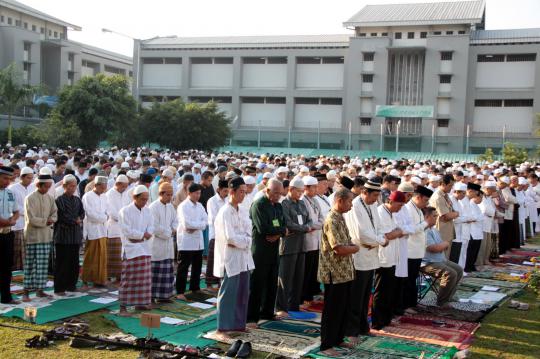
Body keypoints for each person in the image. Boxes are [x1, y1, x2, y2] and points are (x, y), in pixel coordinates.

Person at [344, 180, 400, 338]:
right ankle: (352, 330)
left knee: (364, 296)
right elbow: (362, 234)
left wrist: (380, 238)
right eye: (374, 195)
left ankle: (363, 327)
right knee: (356, 296)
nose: (376, 199)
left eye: (378, 195)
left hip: (371, 254)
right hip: (359, 255)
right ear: (364, 192)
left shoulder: (372, 205)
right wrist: (381, 240)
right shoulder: (355, 205)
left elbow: (379, 227)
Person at [318, 188, 359, 356]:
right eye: (349, 201)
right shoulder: (331, 219)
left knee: (343, 308)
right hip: (334, 272)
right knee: (332, 310)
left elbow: (347, 242)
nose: (351, 205)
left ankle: (338, 338)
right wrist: (355, 248)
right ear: (340, 200)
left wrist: (352, 247)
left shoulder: (340, 218)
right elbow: (339, 248)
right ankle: (326, 345)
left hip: (345, 272)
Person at [214, 177, 254, 337]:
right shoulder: (224, 212)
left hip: (243, 257)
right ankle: (222, 328)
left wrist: (243, 240)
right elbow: (230, 238)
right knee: (228, 294)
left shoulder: (243, 210)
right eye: (241, 192)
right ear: (232, 191)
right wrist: (244, 240)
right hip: (230, 258)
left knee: (243, 293)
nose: (243, 195)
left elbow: (249, 232)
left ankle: (238, 325)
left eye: (245, 192)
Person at [247, 178, 286, 327]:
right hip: (260, 250)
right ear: (267, 190)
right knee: (257, 284)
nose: (278, 196)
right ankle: (251, 317)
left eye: (280, 193)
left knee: (271, 283)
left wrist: (277, 233)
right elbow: (263, 228)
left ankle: (267, 312)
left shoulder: (278, 206)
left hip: (274, 248)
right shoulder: (259, 205)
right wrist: (279, 231)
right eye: (275, 193)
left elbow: (284, 226)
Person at [277, 178, 312, 316]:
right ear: (291, 189)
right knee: (285, 278)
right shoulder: (284, 203)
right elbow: (288, 223)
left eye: (302, 191)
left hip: (301, 245)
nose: (301, 194)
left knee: (298, 278)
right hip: (289, 246)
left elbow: (309, 219)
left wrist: (305, 227)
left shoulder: (302, 203)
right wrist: (305, 228)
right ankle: (281, 307)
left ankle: (294, 305)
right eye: (298, 191)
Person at [118, 185, 154, 315]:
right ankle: (123, 307)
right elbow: (127, 231)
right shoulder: (125, 211)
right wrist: (141, 235)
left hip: (144, 247)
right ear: (135, 197)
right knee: (129, 279)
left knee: (144, 279)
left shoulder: (147, 210)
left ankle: (141, 303)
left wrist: (143, 236)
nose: (144, 202)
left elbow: (151, 227)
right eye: (142, 199)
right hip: (131, 249)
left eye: (146, 199)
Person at [372, 191, 405, 329]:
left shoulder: (391, 213)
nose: (401, 207)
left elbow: (396, 231)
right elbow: (387, 235)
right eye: (399, 204)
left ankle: (386, 319)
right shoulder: (381, 212)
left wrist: (397, 232)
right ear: (391, 201)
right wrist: (397, 232)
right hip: (383, 258)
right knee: (381, 291)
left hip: (392, 257)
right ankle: (377, 322)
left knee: (389, 290)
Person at [22, 174, 58, 302]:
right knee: (30, 264)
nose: (47, 189)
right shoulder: (29, 198)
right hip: (32, 236)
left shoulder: (50, 198)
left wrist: (51, 220)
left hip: (45, 236)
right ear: (38, 185)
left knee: (42, 265)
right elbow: (31, 218)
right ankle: (26, 292)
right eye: (45, 187)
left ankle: (40, 290)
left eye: (49, 187)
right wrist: (46, 221)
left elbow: (55, 213)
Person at [421, 207, 463, 308]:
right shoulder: (425, 231)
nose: (437, 218)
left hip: (439, 260)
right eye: (434, 216)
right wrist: (444, 244)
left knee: (459, 269)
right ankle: (442, 301)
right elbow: (433, 248)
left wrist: (443, 245)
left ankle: (448, 296)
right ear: (426, 217)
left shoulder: (434, 230)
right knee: (450, 273)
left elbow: (441, 246)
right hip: (427, 262)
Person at [53, 174, 84, 295]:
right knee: (62, 263)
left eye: (75, 186)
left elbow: (82, 213)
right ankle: (60, 288)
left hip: (75, 236)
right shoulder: (59, 200)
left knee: (74, 262)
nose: (74, 188)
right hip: (63, 236)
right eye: (71, 186)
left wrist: (79, 219)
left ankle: (71, 285)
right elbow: (61, 216)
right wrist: (74, 221)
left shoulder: (77, 200)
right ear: (64, 186)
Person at [176, 183, 208, 300]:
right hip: (186, 242)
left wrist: (196, 226)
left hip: (198, 241)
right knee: (183, 267)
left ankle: (195, 288)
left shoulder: (200, 206)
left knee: (197, 267)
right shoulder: (183, 206)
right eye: (196, 193)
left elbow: (206, 221)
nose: (198, 195)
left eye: (199, 193)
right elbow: (186, 224)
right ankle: (180, 291)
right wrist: (199, 225)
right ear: (189, 193)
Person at [403, 185, 432, 310]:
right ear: (418, 197)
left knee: (413, 279)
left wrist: (425, 224)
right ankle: (406, 305)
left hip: (417, 251)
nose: (427, 203)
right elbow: (411, 229)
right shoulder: (408, 209)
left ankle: (412, 303)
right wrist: (426, 223)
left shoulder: (418, 210)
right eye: (425, 200)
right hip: (410, 251)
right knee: (408, 280)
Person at [148, 182, 177, 302]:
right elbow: (154, 227)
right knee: (155, 273)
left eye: (171, 195)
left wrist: (173, 229)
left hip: (168, 244)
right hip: (157, 244)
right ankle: (152, 297)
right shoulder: (153, 207)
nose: (170, 197)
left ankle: (164, 296)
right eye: (168, 195)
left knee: (167, 271)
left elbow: (175, 221)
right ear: (161, 194)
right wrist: (168, 232)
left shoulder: (170, 207)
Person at [81, 176, 109, 289]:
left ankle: (99, 280)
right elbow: (90, 214)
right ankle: (86, 280)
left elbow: (107, 212)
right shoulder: (87, 196)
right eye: (101, 188)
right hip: (92, 230)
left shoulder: (105, 197)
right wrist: (103, 218)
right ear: (96, 185)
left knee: (102, 256)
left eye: (104, 188)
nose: (103, 190)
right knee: (90, 256)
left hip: (102, 230)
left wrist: (104, 218)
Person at [301, 176, 324, 305]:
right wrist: (314, 225)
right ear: (306, 188)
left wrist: (315, 225)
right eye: (313, 187)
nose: (316, 189)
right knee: (306, 270)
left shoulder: (315, 200)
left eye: (316, 187)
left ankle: (310, 294)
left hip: (316, 239)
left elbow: (322, 218)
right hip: (307, 241)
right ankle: (304, 295)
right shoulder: (302, 200)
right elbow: (306, 222)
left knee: (313, 269)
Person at [0, 166, 21, 304]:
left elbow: (16, 211)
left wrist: (11, 221)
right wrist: (6, 222)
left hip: (7, 234)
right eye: (5, 178)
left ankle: (6, 297)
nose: (7, 181)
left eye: (9, 178)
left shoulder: (10, 193)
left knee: (6, 267)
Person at [105, 174, 131, 284]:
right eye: (123, 186)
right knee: (112, 254)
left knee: (123, 254)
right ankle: (110, 276)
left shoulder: (126, 193)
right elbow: (111, 212)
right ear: (118, 184)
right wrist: (123, 219)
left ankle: (120, 276)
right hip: (113, 228)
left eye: (126, 186)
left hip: (124, 228)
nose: (125, 188)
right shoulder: (109, 194)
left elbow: (129, 208)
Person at [8, 167, 34, 271]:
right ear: (22, 177)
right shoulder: (12, 188)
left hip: (30, 224)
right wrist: (27, 211)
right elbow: (12, 206)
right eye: (28, 178)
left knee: (28, 251)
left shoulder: (32, 188)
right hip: (18, 224)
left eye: (32, 178)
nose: (30, 180)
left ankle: (25, 272)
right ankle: (16, 272)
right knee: (17, 251)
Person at [206, 179, 229, 291]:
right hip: (215, 234)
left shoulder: (228, 200)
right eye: (225, 191)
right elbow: (215, 218)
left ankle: (220, 283)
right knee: (212, 259)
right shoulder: (212, 201)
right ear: (218, 190)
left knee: (223, 260)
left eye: (228, 191)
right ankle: (209, 284)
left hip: (226, 236)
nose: (226, 193)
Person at [429, 174, 459, 257]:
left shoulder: (445, 195)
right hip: (441, 231)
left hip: (447, 230)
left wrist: (454, 213)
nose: (451, 188)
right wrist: (456, 214)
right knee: (442, 257)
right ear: (443, 184)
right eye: (450, 185)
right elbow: (446, 216)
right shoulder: (438, 197)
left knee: (446, 256)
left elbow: (451, 211)